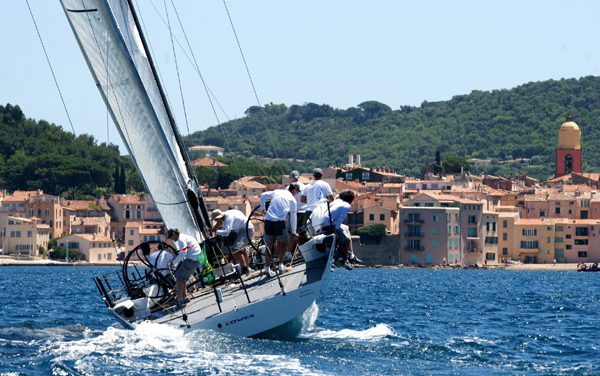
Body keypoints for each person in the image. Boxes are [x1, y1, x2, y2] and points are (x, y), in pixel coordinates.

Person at [309, 190, 358, 270]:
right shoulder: (346, 205)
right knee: (345, 240)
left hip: (323, 224)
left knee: (343, 237)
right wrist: (335, 230)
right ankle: (340, 259)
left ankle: (341, 259)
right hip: (330, 225)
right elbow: (340, 219)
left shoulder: (337, 202)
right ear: (351, 200)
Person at [260, 183, 300, 275]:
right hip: (279, 223)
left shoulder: (277, 192)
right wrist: (294, 232)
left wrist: (263, 210)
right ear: (294, 190)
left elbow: (263, 195)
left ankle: (267, 268)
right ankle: (280, 266)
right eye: (297, 191)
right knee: (284, 243)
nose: (297, 193)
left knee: (269, 246)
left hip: (268, 221)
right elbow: (293, 217)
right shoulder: (292, 200)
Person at [211, 208, 254, 275]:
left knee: (236, 249)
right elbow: (219, 223)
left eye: (216, 219)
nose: (216, 221)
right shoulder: (226, 214)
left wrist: (216, 232)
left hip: (246, 230)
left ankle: (244, 269)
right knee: (242, 250)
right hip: (242, 230)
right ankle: (247, 269)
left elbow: (226, 232)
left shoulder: (228, 218)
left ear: (219, 217)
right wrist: (213, 229)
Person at [166, 228, 202, 305]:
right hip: (195, 258)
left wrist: (173, 263)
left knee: (179, 277)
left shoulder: (181, 240)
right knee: (182, 278)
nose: (171, 240)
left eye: (171, 237)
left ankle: (180, 298)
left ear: (174, 234)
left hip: (192, 259)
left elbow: (182, 254)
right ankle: (184, 296)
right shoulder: (184, 237)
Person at [286, 170, 307, 262]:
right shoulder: (305, 187)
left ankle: (289, 254)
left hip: (292, 213)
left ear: (291, 177)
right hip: (303, 212)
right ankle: (304, 252)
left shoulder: (288, 188)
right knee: (302, 232)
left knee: (291, 234)